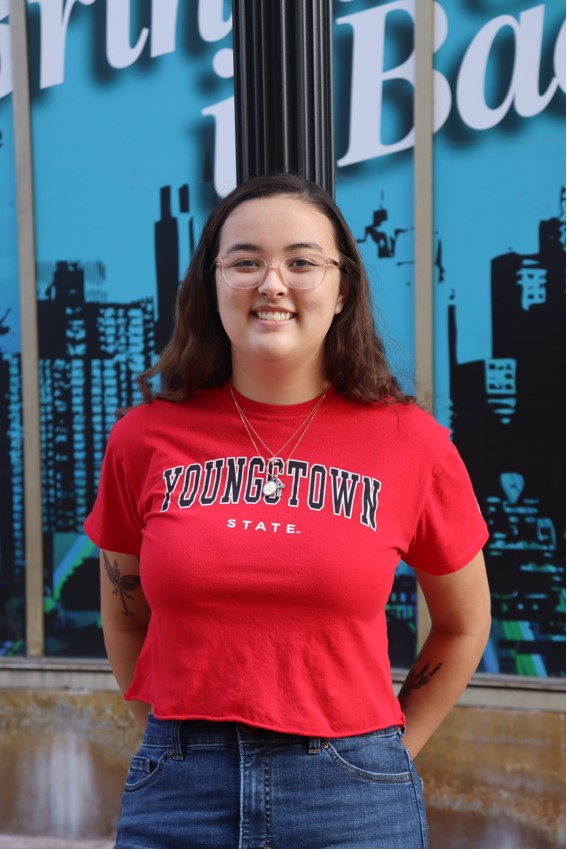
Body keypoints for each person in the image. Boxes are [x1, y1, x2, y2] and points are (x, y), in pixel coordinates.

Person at [84, 173, 491, 850]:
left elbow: (462, 622)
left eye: (302, 262)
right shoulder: (143, 439)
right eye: (245, 261)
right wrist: (171, 740)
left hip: (350, 796)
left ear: (343, 289)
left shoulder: (411, 444)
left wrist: (387, 754)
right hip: (178, 791)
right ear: (212, 286)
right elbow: (126, 622)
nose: (272, 283)